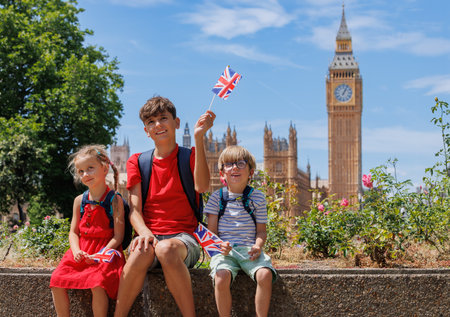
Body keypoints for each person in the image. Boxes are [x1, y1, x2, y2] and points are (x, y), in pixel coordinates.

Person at [114, 96, 216, 317]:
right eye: (151, 122)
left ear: (176, 123)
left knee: (166, 248)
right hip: (149, 235)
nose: (157, 125)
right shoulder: (137, 162)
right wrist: (144, 233)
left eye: (163, 118)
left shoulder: (190, 157)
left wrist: (199, 138)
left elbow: (202, 186)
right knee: (141, 251)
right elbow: (135, 211)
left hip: (184, 238)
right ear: (146, 130)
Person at [50, 145, 126, 317]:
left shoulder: (115, 200)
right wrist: (76, 251)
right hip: (82, 250)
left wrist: (100, 254)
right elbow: (73, 232)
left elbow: (118, 236)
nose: (85, 174)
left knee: (97, 283)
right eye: (81, 171)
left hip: (105, 250)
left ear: (105, 168)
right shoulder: (79, 201)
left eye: (90, 168)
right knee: (56, 280)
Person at [205, 145, 277, 317]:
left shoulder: (258, 197)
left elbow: (261, 231)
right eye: (229, 164)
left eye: (241, 163)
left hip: (249, 251)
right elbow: (211, 234)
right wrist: (220, 246)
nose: (235, 167)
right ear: (222, 173)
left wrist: (258, 246)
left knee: (265, 275)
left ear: (251, 172)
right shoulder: (217, 198)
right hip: (225, 252)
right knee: (221, 276)